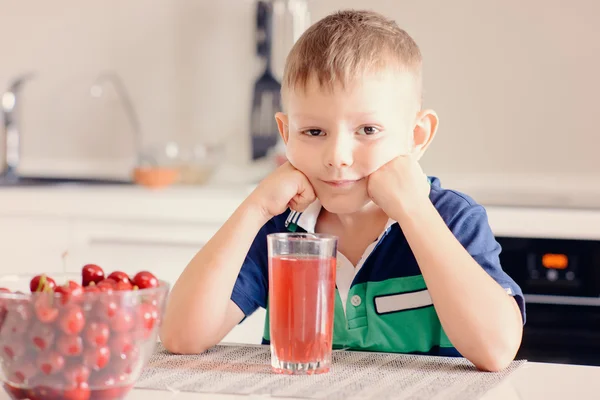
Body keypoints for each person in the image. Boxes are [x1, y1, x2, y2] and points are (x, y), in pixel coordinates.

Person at [160, 9, 525, 372]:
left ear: (416, 137)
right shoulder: (279, 228)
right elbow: (181, 337)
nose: (336, 157)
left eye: (368, 130)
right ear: (286, 136)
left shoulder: (451, 218)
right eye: (314, 132)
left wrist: (414, 211)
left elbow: (495, 350)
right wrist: (255, 207)